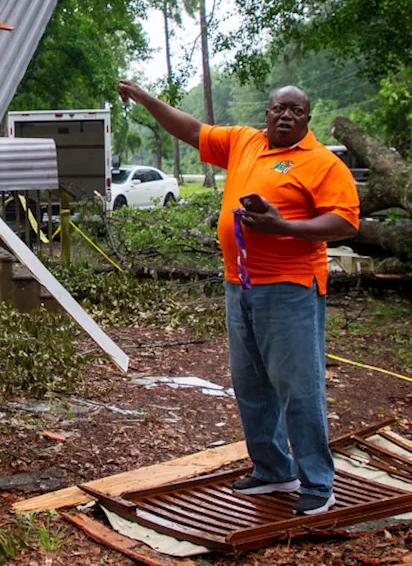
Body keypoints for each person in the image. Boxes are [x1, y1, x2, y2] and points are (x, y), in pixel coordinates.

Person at [116, 80, 360, 515]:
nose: (285, 116)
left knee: (297, 387)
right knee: (250, 383)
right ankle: (272, 470)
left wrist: (285, 227)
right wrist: (146, 99)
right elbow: (191, 131)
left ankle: (319, 483)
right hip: (240, 283)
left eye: (295, 111)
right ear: (266, 113)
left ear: (308, 118)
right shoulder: (245, 143)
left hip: (290, 287)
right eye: (278, 109)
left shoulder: (322, 163)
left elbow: (344, 223)